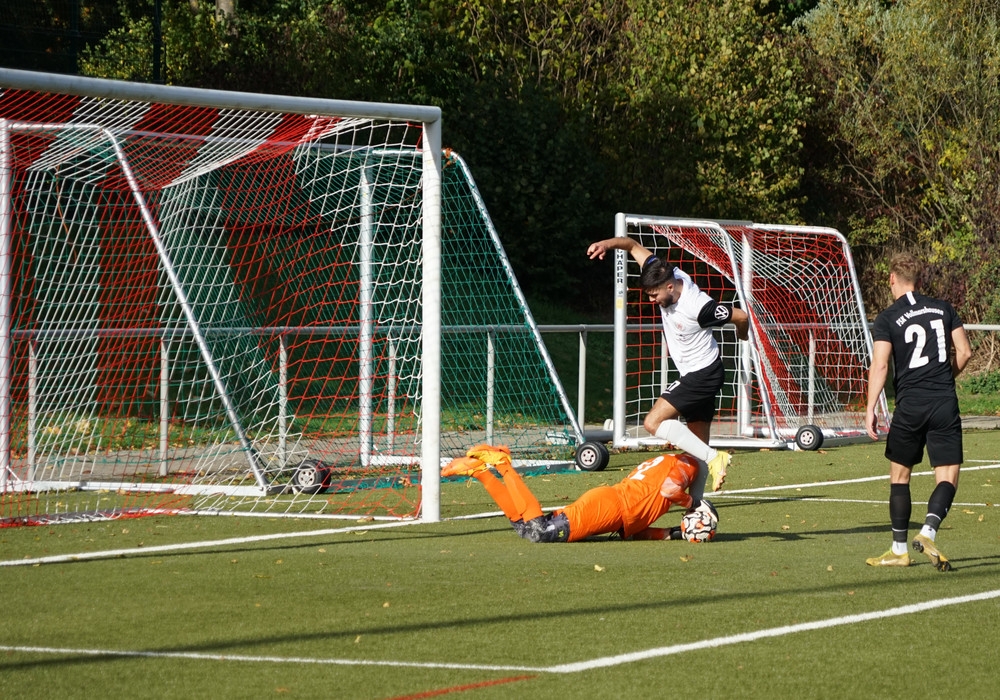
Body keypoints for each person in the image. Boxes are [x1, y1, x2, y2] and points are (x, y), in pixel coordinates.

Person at [587, 236, 749, 500]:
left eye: (655, 295)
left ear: (670, 287)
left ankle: (715, 457)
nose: (652, 300)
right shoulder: (661, 271)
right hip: (697, 372)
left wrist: (743, 334)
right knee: (697, 446)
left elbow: (741, 316)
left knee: (653, 422)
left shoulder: (699, 308)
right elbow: (631, 245)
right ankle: (697, 505)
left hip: (704, 374)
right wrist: (605, 244)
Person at [865, 252, 972, 571]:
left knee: (900, 476)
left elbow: (880, 364)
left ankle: (899, 550)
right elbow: (965, 351)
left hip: (910, 404)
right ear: (920, 280)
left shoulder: (887, 317)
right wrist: (945, 377)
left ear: (892, 279)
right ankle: (928, 531)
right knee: (948, 475)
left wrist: (871, 407)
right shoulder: (944, 308)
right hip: (943, 402)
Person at [442, 444, 709, 542]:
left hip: (611, 505)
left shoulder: (666, 460)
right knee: (539, 531)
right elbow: (670, 490)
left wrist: (674, 532)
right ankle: (502, 463)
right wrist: (693, 504)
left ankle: (479, 472)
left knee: (524, 528)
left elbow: (636, 532)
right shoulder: (690, 463)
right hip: (610, 507)